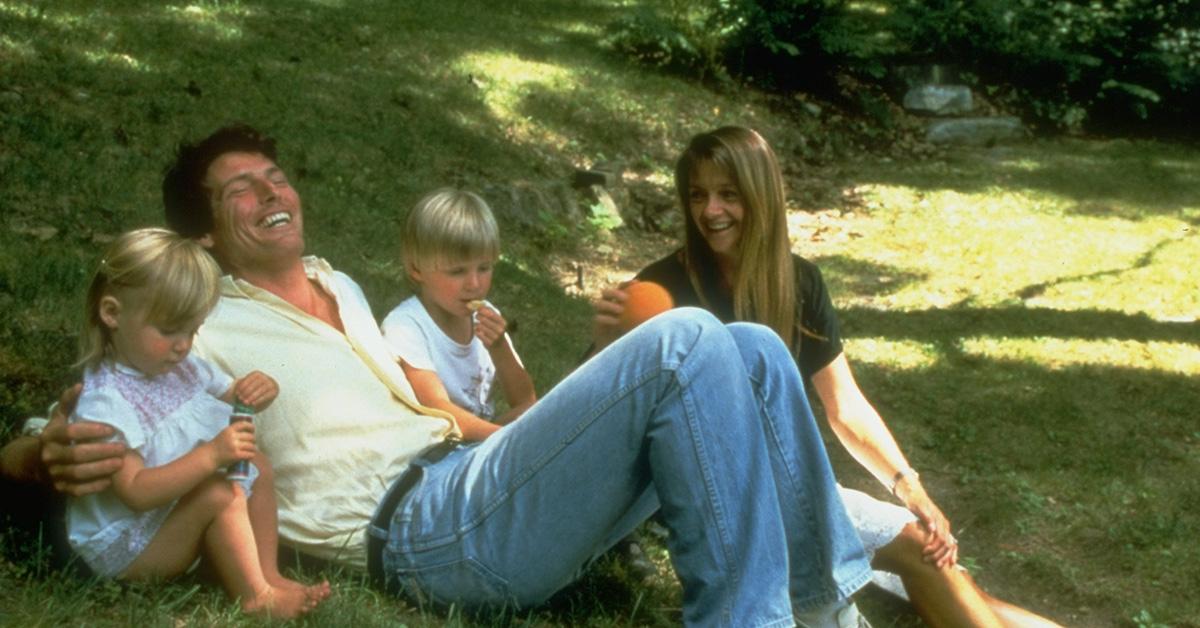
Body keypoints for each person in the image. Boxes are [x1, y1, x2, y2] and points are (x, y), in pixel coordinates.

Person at [0, 124, 875, 627]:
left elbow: (425, 403)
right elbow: (73, 420)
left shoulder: (338, 284)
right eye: (240, 188)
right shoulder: (198, 319)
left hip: (471, 477)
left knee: (754, 346)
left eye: (276, 175)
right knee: (686, 339)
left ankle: (823, 606)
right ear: (201, 236)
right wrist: (40, 457)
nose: (272, 191)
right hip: (422, 530)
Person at [592, 126, 1062, 628]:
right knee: (914, 552)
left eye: (729, 194)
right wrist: (606, 345)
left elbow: (845, 406)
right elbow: (611, 419)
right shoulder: (659, 289)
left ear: (761, 196)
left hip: (793, 484)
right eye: (698, 195)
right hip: (717, 497)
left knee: (933, 555)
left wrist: (909, 487)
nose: (711, 211)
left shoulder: (799, 283)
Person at [65, 227, 329, 618]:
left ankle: (268, 574)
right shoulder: (108, 402)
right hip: (128, 545)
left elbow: (234, 392)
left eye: (193, 330)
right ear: (112, 313)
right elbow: (135, 491)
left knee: (258, 464)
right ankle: (256, 596)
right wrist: (210, 456)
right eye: (170, 330)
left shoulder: (180, 368)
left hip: (167, 517)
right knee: (219, 493)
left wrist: (259, 389)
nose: (183, 344)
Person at [380, 188, 536, 440]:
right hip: (436, 450)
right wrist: (503, 442)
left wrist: (499, 348)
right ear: (416, 268)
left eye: (484, 268)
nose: (474, 284)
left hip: (480, 441)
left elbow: (525, 399)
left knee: (540, 414)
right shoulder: (406, 327)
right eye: (457, 271)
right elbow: (436, 408)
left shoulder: (485, 315)